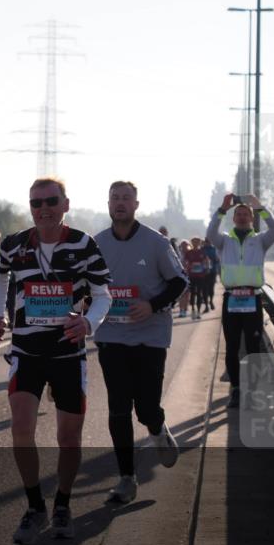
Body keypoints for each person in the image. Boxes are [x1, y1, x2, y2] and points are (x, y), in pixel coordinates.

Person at [0, 177, 111, 545]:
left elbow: (103, 293)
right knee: (22, 427)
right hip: (26, 350)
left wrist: (89, 321)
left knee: (68, 437)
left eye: (51, 201)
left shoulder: (83, 245)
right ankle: (34, 506)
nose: (43, 208)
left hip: (68, 353)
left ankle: (63, 504)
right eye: (36, 203)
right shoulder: (15, 244)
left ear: (65, 204)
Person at [94, 182, 188, 503]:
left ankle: (158, 430)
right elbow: (87, 286)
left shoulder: (156, 243)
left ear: (136, 205)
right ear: (108, 204)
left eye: (126, 199)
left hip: (150, 337)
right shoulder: (97, 244)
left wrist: (152, 305)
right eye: (115, 199)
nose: (120, 204)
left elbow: (179, 282)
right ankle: (126, 479)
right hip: (111, 338)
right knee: (118, 407)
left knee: (146, 408)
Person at [206, 193, 274, 408]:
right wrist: (222, 208)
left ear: (251, 217)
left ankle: (253, 389)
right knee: (231, 347)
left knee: (253, 346)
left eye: (245, 213)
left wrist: (259, 206)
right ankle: (237, 389)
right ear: (233, 217)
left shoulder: (260, 240)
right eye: (237, 213)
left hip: (253, 299)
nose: (240, 216)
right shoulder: (224, 241)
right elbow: (211, 232)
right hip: (231, 299)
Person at [182, 237, 210, 319]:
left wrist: (207, 268)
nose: (195, 243)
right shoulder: (189, 252)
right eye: (194, 242)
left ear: (199, 243)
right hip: (191, 276)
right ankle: (193, 310)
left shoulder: (202, 252)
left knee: (199, 293)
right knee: (193, 293)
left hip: (200, 276)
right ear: (192, 243)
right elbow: (184, 262)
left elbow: (206, 261)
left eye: (197, 242)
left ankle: (198, 311)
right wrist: (187, 267)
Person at [201, 238, 219, 311]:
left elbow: (217, 260)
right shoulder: (201, 250)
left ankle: (211, 301)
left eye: (208, 241)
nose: (207, 243)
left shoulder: (214, 249)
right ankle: (206, 305)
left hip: (212, 271)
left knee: (211, 288)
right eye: (206, 241)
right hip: (203, 272)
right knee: (204, 289)